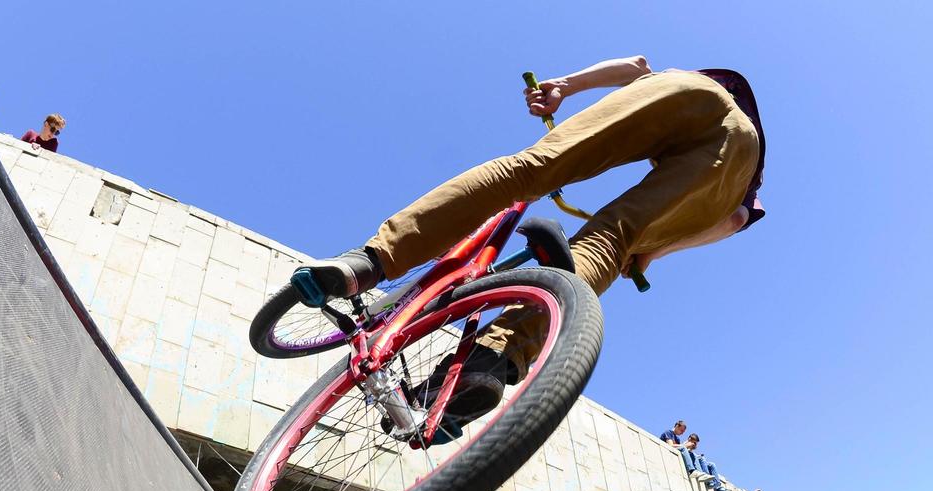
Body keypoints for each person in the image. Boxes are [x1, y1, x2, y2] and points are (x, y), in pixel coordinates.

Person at [294, 56, 766, 422]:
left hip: (687, 91)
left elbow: (637, 67)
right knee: (612, 243)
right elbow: (736, 219)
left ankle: (368, 263)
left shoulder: (706, 77)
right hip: (739, 161)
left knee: (531, 169)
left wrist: (564, 85)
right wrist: (651, 253)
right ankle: (492, 360)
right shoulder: (751, 156)